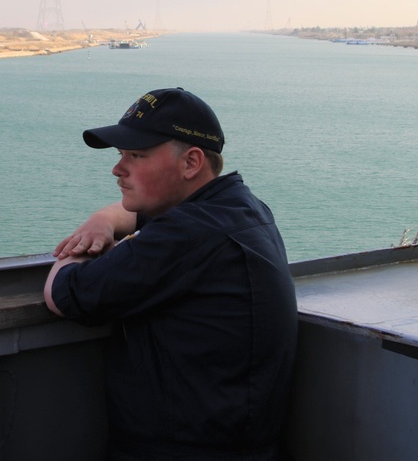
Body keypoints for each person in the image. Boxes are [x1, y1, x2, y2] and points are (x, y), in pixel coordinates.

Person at [44, 87, 298, 460]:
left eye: (137, 155)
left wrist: (75, 250)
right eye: (120, 154)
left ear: (191, 163)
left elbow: (65, 294)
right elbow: (139, 216)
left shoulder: (187, 234)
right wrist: (102, 220)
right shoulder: (241, 208)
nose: (118, 169)